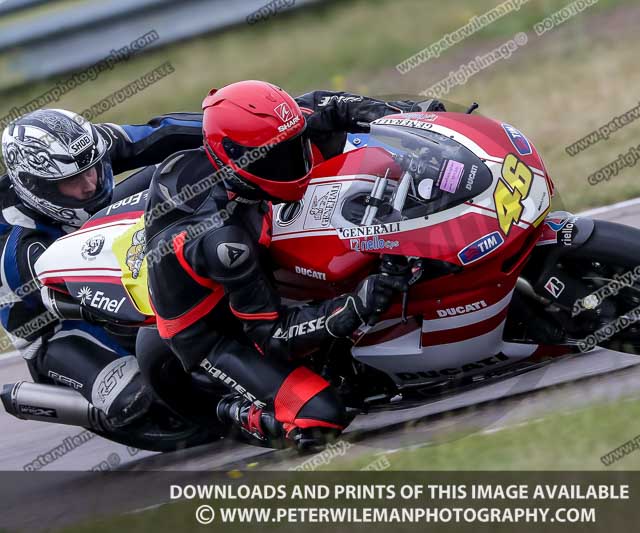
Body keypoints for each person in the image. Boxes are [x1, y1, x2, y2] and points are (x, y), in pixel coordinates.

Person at [144, 81, 444, 448]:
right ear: (237, 157)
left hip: (252, 246)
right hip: (215, 328)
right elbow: (272, 336)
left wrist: (412, 120)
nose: (294, 162)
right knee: (322, 418)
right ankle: (238, 411)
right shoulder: (225, 242)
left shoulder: (265, 137)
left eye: (293, 147)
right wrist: (357, 306)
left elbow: (326, 106)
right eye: (278, 157)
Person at [0, 108, 202, 428]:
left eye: (93, 170)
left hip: (98, 234)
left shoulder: (85, 150)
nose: (90, 185)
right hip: (59, 324)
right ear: (37, 186)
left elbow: (163, 131)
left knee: (182, 169)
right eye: (72, 181)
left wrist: (267, 123)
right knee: (133, 397)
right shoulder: (22, 248)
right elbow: (88, 301)